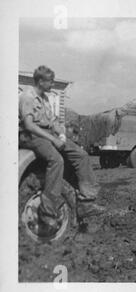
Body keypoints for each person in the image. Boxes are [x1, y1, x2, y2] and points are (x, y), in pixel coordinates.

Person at [19, 66, 103, 230]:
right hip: (31, 135)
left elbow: (54, 122)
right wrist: (53, 139)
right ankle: (47, 212)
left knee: (81, 155)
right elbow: (29, 125)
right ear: (41, 81)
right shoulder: (27, 96)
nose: (52, 84)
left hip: (47, 133)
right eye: (50, 81)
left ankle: (86, 203)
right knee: (56, 160)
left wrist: (61, 135)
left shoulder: (44, 98)